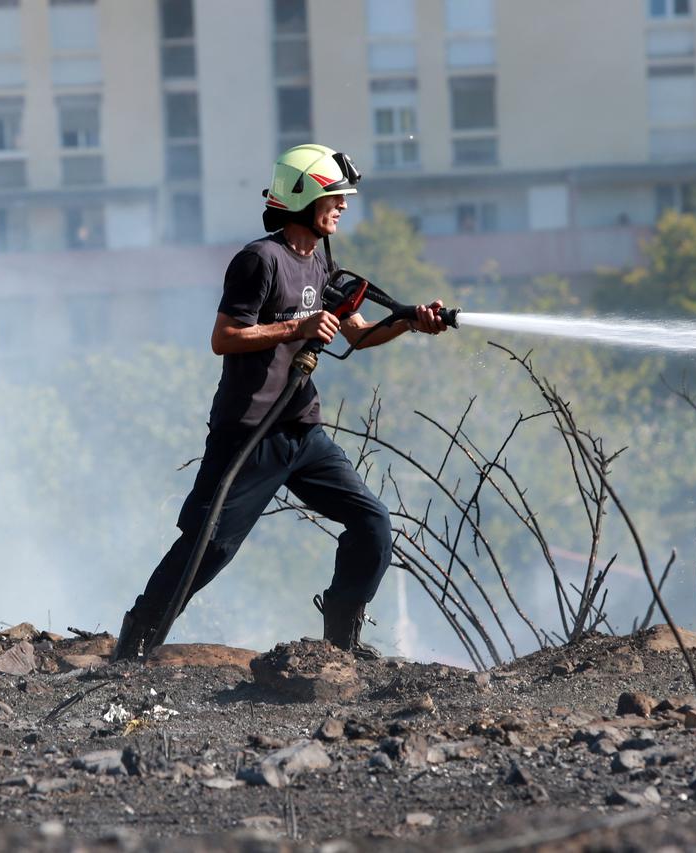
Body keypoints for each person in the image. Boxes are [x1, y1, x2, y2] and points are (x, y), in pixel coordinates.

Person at [112, 144, 449, 662]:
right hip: (249, 432)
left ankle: (340, 646)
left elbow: (356, 336)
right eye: (335, 197)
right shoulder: (258, 261)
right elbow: (225, 337)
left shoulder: (320, 262)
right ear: (305, 197)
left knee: (372, 524)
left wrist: (409, 322)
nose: (342, 207)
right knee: (212, 545)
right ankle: (136, 642)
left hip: (301, 430)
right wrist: (298, 326)